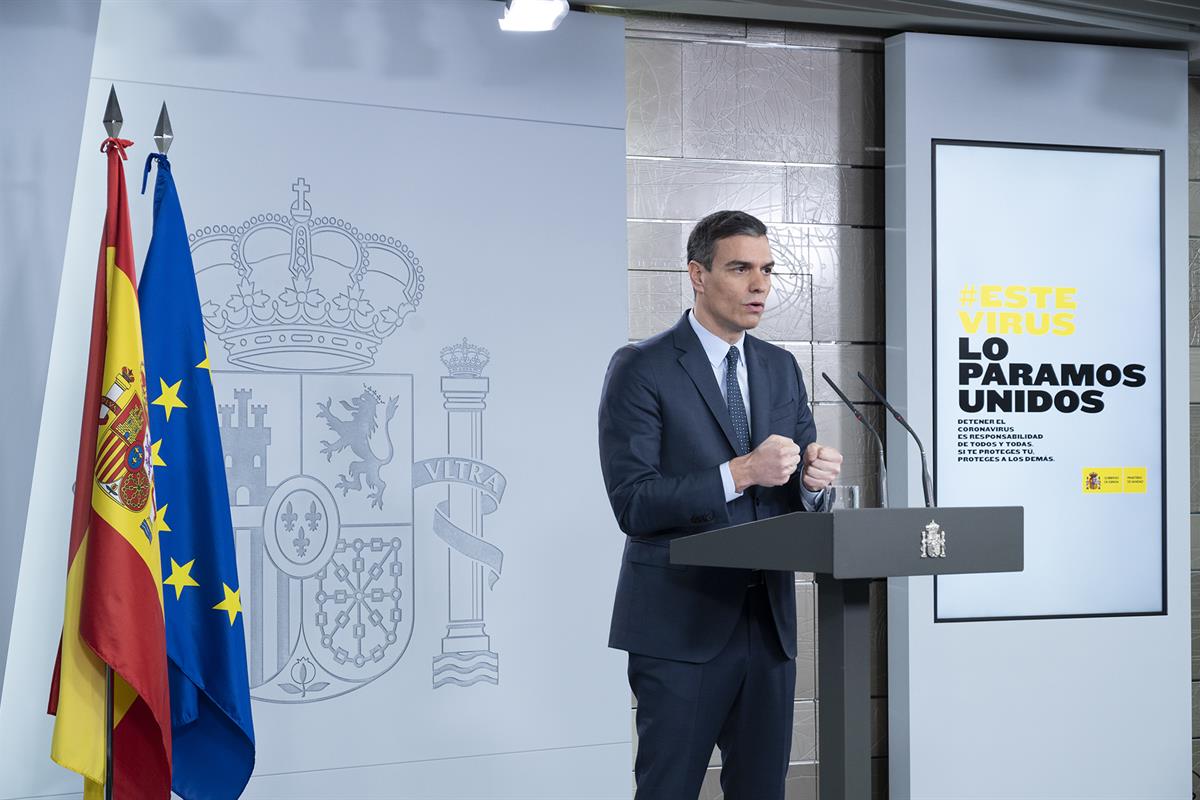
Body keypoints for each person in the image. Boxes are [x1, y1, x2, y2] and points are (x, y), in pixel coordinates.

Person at [598, 210, 842, 799]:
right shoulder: (642, 367)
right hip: (681, 626)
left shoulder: (780, 368)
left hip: (768, 627)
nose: (759, 284)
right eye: (740, 268)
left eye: (766, 269)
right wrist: (737, 473)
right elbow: (634, 504)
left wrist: (812, 484)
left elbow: (792, 491)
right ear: (697, 275)